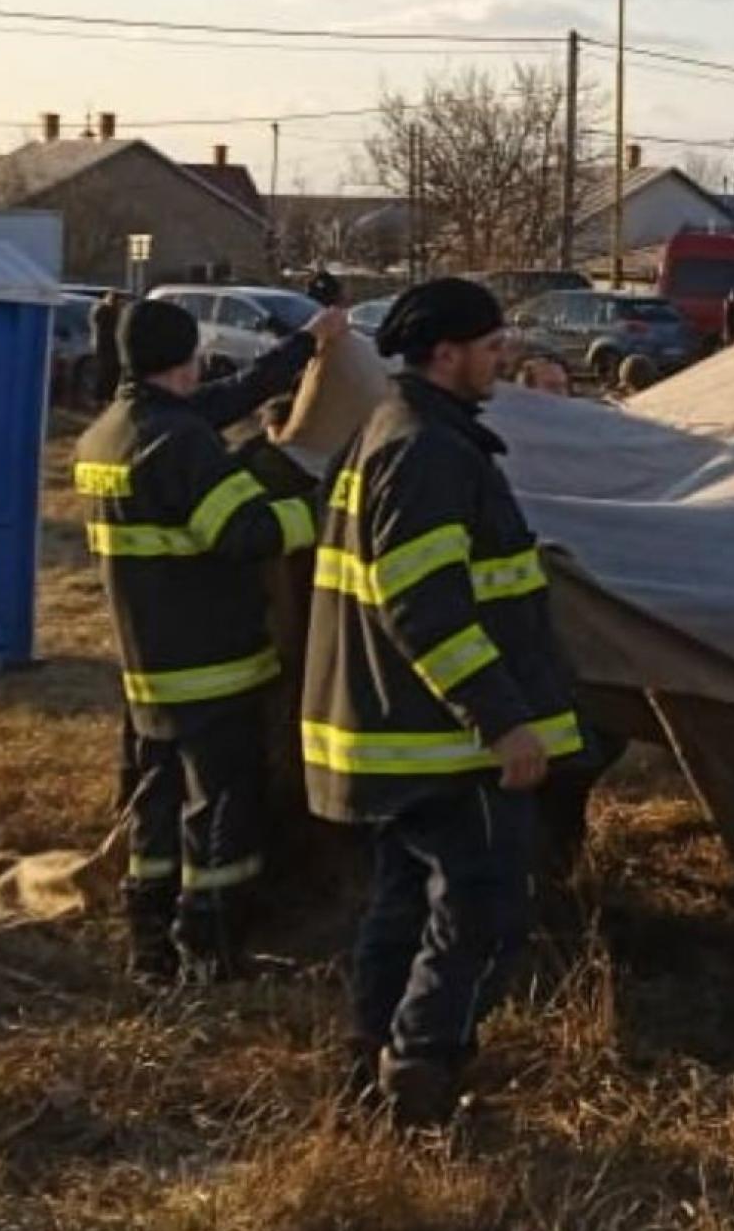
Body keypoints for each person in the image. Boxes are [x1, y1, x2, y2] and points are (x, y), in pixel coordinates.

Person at [304, 277, 586, 1127]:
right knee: (482, 915)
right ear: (446, 352)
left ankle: (372, 1059)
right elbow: (423, 604)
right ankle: (423, 1079)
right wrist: (501, 719)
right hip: (446, 743)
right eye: (491, 344)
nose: (503, 357)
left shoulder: (391, 429)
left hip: (397, 732)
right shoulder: (427, 449)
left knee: (402, 906)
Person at [76, 299, 336, 984]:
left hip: (147, 665)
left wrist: (305, 345)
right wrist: (328, 509)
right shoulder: (179, 443)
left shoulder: (110, 432)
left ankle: (149, 940)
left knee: (156, 804)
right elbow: (246, 533)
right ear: (186, 359)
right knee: (218, 807)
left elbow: (220, 402)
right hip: (210, 662)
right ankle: (210, 946)